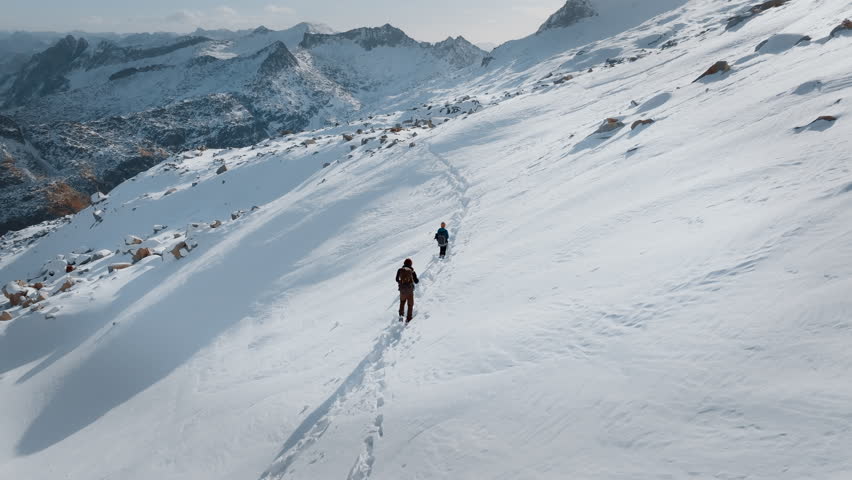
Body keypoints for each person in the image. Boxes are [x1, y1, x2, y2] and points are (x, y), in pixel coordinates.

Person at [396, 258, 419, 323]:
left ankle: (401, 316)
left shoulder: (400, 270)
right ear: (411, 264)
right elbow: (416, 281)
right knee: (410, 304)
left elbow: (396, 279)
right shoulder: (412, 271)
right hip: (410, 290)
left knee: (402, 302)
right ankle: (408, 319)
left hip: (402, 290)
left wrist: (401, 283)